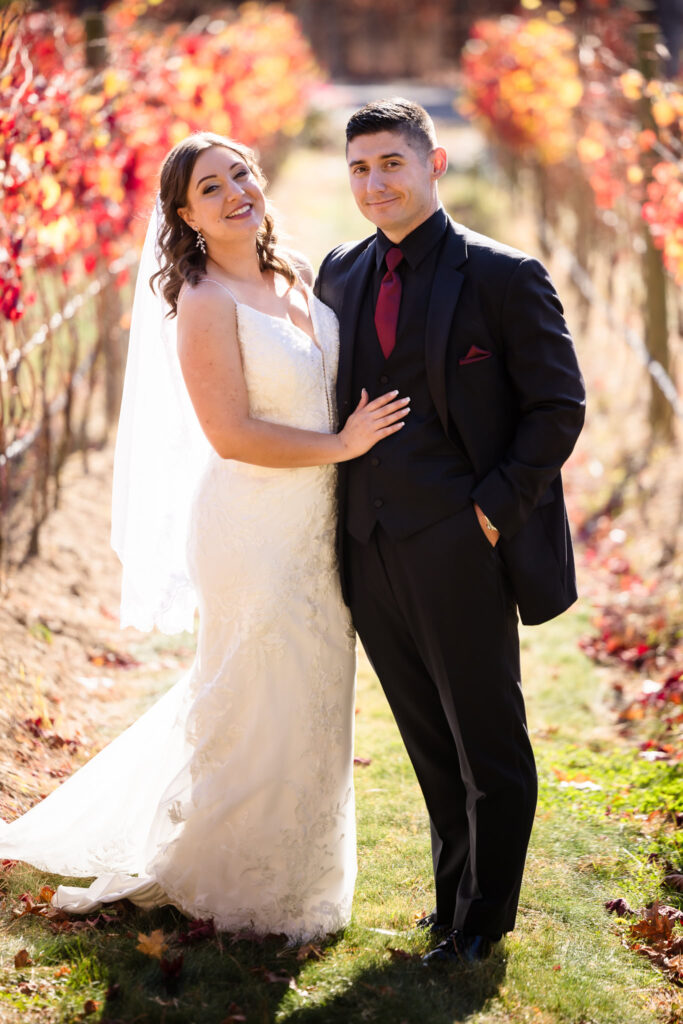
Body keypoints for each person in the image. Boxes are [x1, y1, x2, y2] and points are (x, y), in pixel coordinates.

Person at [0, 132, 410, 941]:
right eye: (209, 189)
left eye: (240, 175)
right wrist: (343, 445)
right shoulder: (203, 301)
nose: (234, 194)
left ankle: (300, 873)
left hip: (315, 525)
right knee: (256, 691)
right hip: (251, 527)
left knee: (310, 693)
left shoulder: (293, 273)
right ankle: (229, 882)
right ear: (184, 216)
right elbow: (230, 433)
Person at [314, 99, 586, 964]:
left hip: (462, 540)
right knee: (428, 739)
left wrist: (489, 513)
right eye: (359, 168)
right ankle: (449, 905)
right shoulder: (339, 273)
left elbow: (557, 406)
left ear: (435, 166)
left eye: (391, 163)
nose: (374, 183)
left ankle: (484, 923)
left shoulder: (504, 275)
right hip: (369, 543)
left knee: (486, 739)